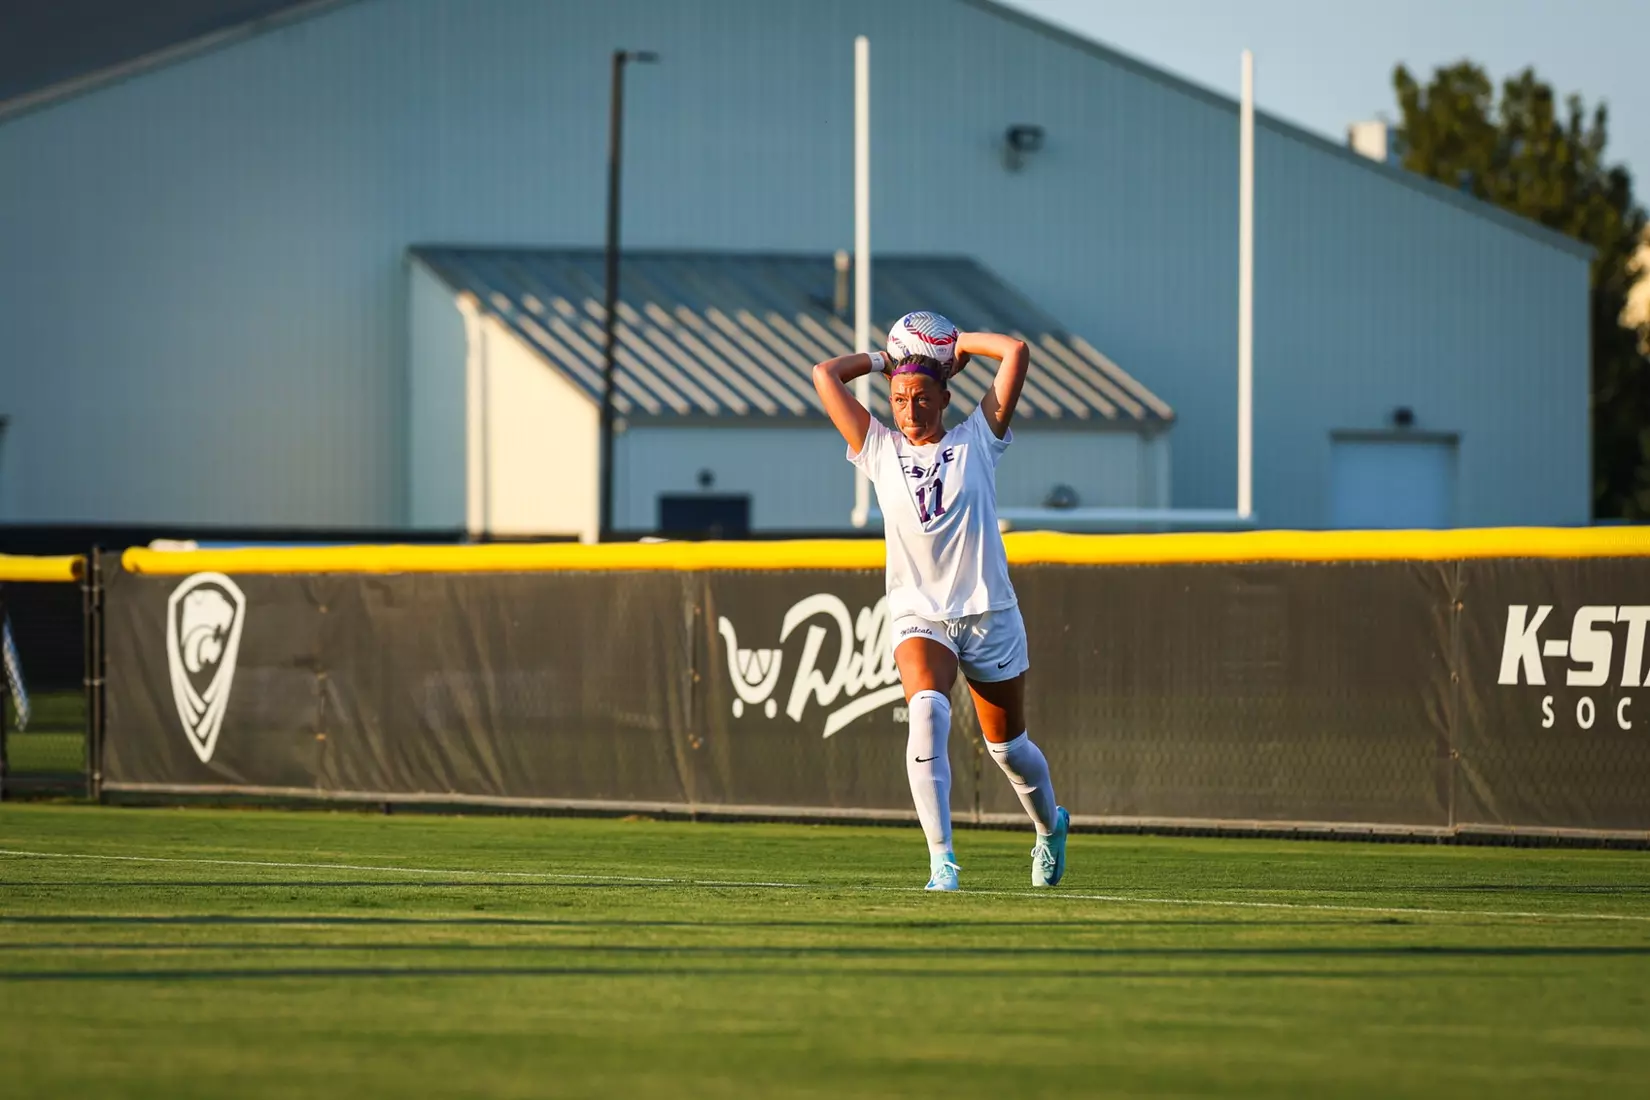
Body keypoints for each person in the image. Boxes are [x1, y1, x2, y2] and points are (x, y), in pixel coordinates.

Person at [811, 311, 1069, 891]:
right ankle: (942, 862)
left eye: (921, 396)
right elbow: (825, 374)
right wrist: (890, 359)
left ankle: (1049, 827)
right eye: (899, 398)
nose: (909, 409)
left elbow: (1016, 349)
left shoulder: (977, 437)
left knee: (1009, 749)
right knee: (926, 711)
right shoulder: (877, 447)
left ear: (946, 396)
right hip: (919, 612)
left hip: (987, 613)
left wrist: (952, 347)